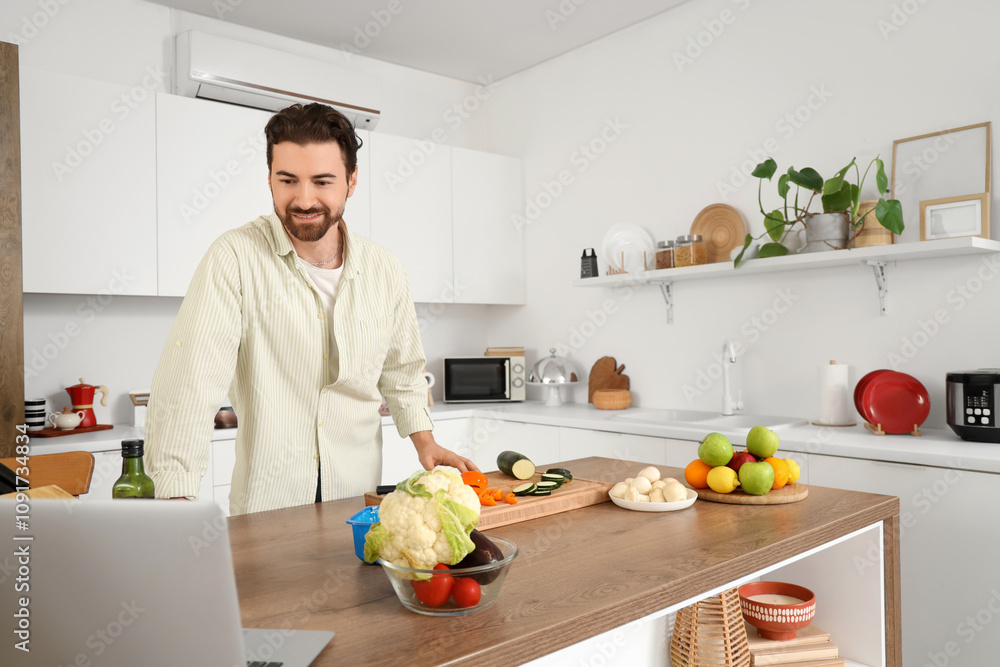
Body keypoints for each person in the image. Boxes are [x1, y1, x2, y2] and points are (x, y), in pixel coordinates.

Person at [145, 103, 478, 515]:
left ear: (351, 181)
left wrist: (425, 442)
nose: (304, 199)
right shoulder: (233, 258)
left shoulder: (384, 270)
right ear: (269, 178)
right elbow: (190, 383)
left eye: (322, 181)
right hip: (267, 507)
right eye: (288, 180)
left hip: (357, 503)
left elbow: (402, 370)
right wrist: (174, 497)